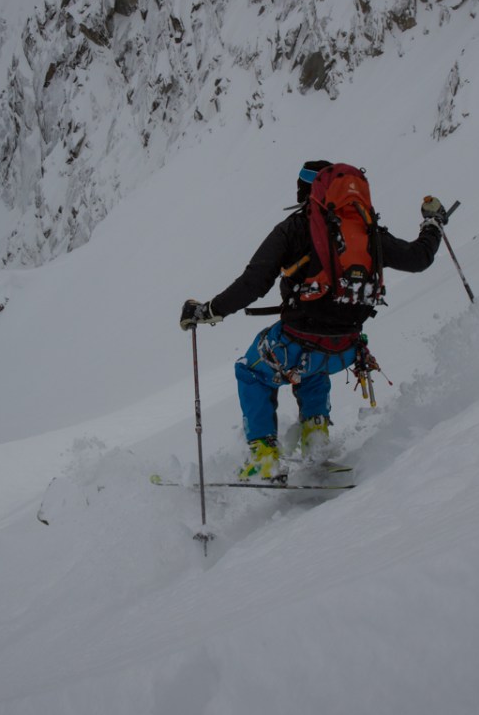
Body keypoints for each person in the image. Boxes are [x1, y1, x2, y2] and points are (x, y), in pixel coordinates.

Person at [180, 160, 447, 480]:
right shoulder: (366, 228)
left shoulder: (294, 228)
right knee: (312, 367)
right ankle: (315, 438)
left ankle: (264, 455)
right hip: (345, 350)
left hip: (296, 342)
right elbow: (419, 258)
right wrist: (433, 224)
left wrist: (209, 310)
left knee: (250, 371)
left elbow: (253, 283)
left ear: (305, 190)